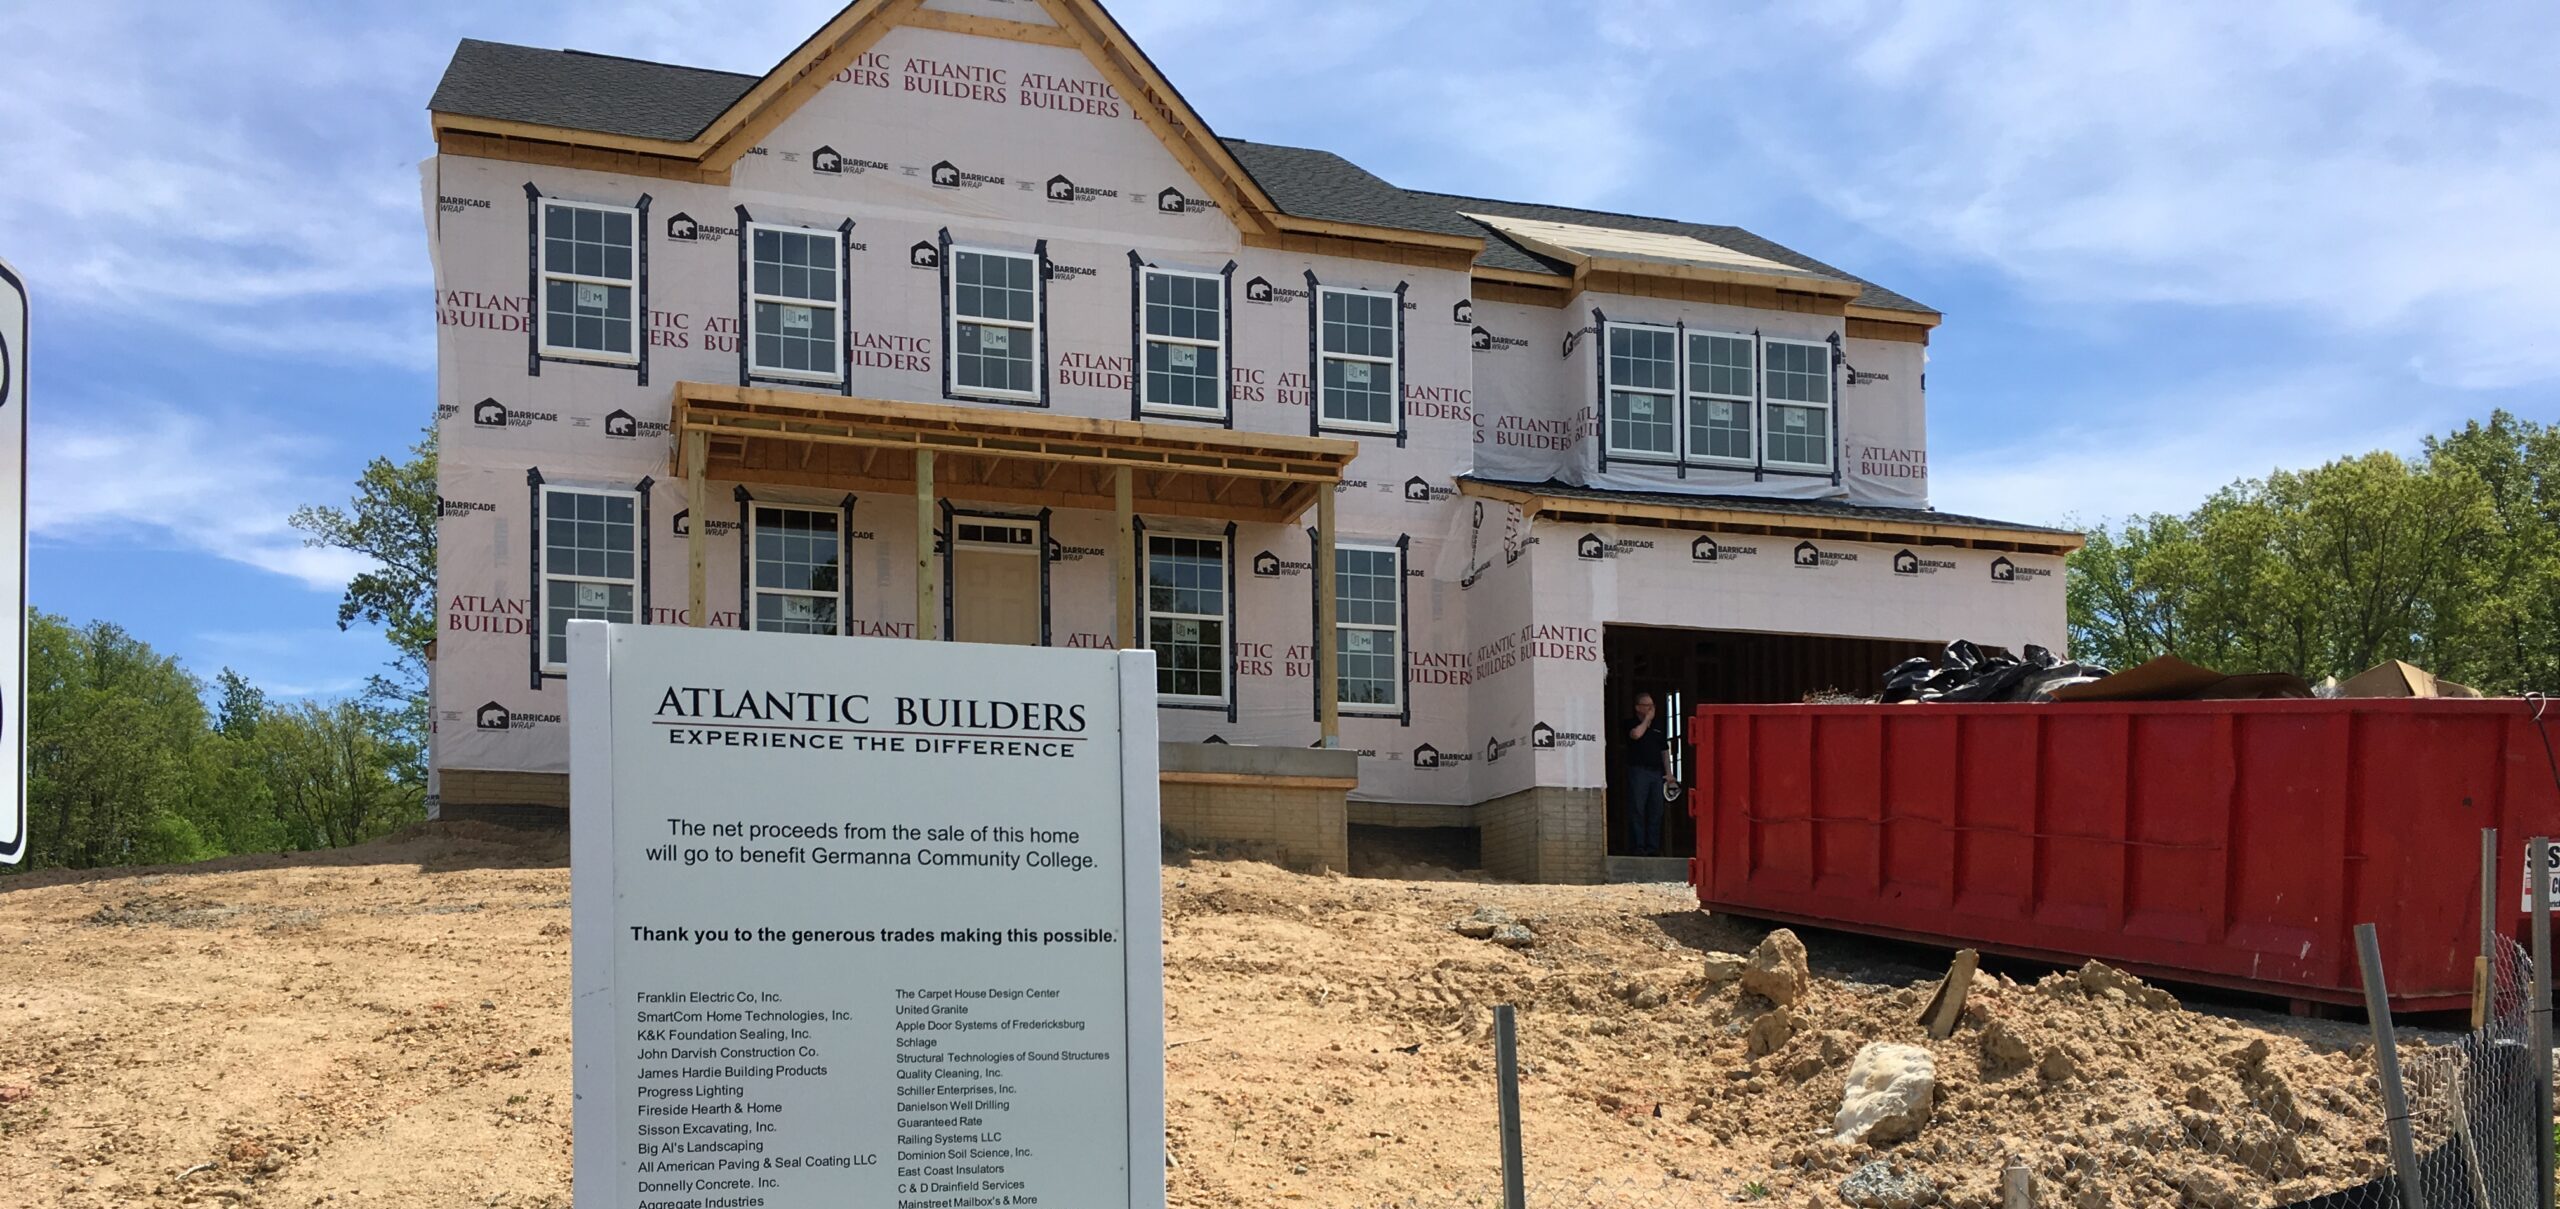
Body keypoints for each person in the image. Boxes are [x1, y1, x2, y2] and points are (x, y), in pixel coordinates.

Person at [1622, 692, 1672, 856]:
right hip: (1639, 772)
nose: (1651, 709)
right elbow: (1636, 735)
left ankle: (1653, 847)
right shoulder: (1630, 723)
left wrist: (1669, 773)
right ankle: (1638, 847)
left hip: (1656, 774)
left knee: (1656, 811)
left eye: (1652, 706)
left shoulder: (1658, 726)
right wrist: (1646, 721)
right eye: (1647, 706)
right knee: (1637, 809)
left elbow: (1664, 751)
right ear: (1638, 708)